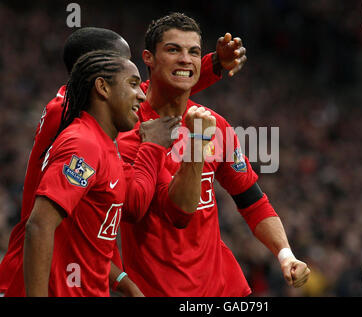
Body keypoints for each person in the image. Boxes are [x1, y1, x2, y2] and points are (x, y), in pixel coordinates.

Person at [0, 26, 246, 296]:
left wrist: (212, 65)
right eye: (130, 78)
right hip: (37, 273)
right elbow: (41, 224)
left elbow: (153, 94)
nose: (141, 90)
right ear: (101, 79)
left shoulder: (95, 131)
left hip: (72, 271)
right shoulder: (69, 117)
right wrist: (152, 146)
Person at [117, 12, 311, 296]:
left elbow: (252, 201)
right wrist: (196, 141)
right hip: (160, 291)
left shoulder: (215, 124)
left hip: (226, 291)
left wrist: (285, 255)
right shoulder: (127, 129)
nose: (185, 59)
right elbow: (179, 213)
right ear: (148, 58)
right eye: (173, 50)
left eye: (194, 52)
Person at [16, 50, 180, 296]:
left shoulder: (105, 146)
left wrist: (127, 284)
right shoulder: (84, 144)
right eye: (133, 84)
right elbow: (39, 225)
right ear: (102, 87)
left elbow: (86, 240)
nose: (141, 96)